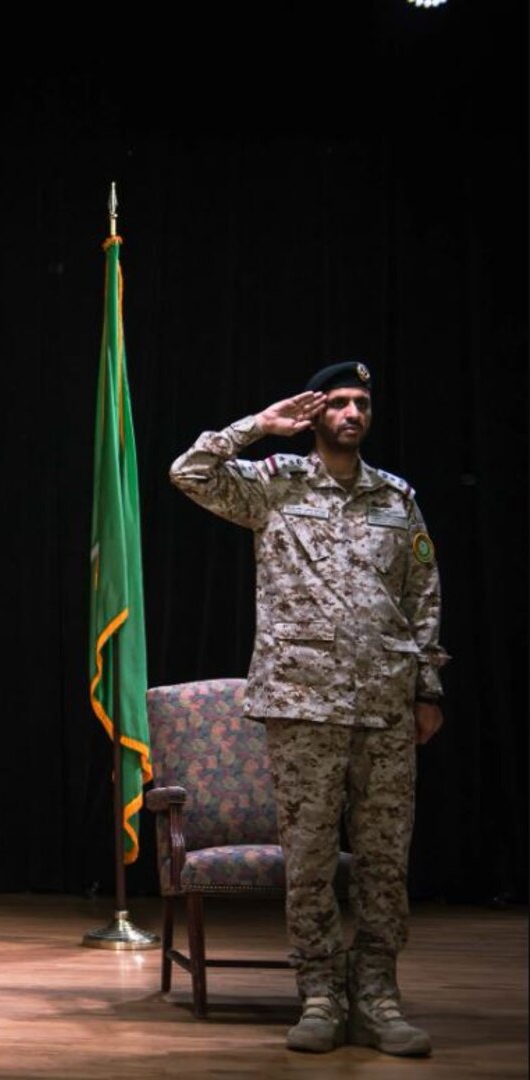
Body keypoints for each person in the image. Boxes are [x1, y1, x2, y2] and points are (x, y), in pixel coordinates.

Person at [169, 361, 446, 1056]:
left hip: (383, 705)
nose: (352, 414)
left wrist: (426, 688)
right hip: (302, 703)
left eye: (362, 404)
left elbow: (421, 595)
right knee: (311, 859)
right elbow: (188, 473)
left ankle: (377, 996)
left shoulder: (395, 498)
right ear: (316, 412)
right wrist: (256, 427)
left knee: (384, 862)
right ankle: (319, 994)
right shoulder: (274, 484)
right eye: (339, 403)